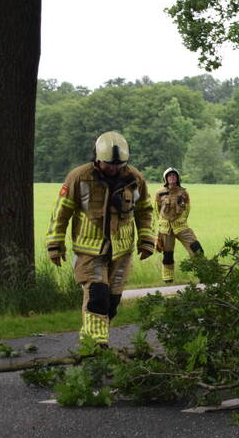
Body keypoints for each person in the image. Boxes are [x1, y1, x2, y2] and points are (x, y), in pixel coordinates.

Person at [44, 131, 155, 346]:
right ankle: (96, 348)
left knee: (111, 303)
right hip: (90, 251)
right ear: (96, 158)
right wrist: (55, 245)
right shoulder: (79, 177)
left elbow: (144, 210)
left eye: (119, 165)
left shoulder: (135, 179)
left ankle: (92, 340)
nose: (113, 169)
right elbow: (61, 212)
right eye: (108, 164)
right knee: (97, 297)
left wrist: (146, 239)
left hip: (122, 252)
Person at [154, 167, 204, 283]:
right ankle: (168, 280)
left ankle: (203, 274)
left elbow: (187, 209)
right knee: (167, 254)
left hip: (181, 226)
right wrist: (161, 222)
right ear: (166, 178)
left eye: (174, 175)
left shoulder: (183, 193)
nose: (172, 177)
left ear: (177, 178)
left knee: (196, 248)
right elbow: (156, 209)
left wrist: (182, 220)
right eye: (170, 175)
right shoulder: (159, 193)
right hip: (165, 229)